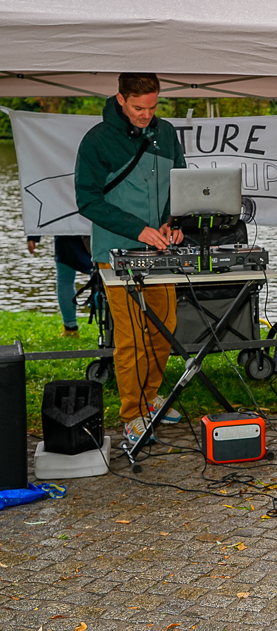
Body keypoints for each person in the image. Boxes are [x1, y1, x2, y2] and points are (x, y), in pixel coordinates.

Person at [74, 73, 186, 446]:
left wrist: (174, 222)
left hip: (160, 252)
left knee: (163, 329)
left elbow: (180, 184)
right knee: (131, 338)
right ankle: (132, 415)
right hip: (115, 253)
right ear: (120, 99)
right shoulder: (97, 141)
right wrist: (137, 229)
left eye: (153, 107)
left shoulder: (166, 132)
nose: (146, 114)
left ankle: (151, 397)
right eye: (139, 107)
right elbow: (88, 200)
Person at [25, 235, 94, 336]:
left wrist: (33, 235)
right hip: (97, 229)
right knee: (103, 276)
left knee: (65, 279)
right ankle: (111, 326)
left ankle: (70, 328)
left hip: (65, 228)